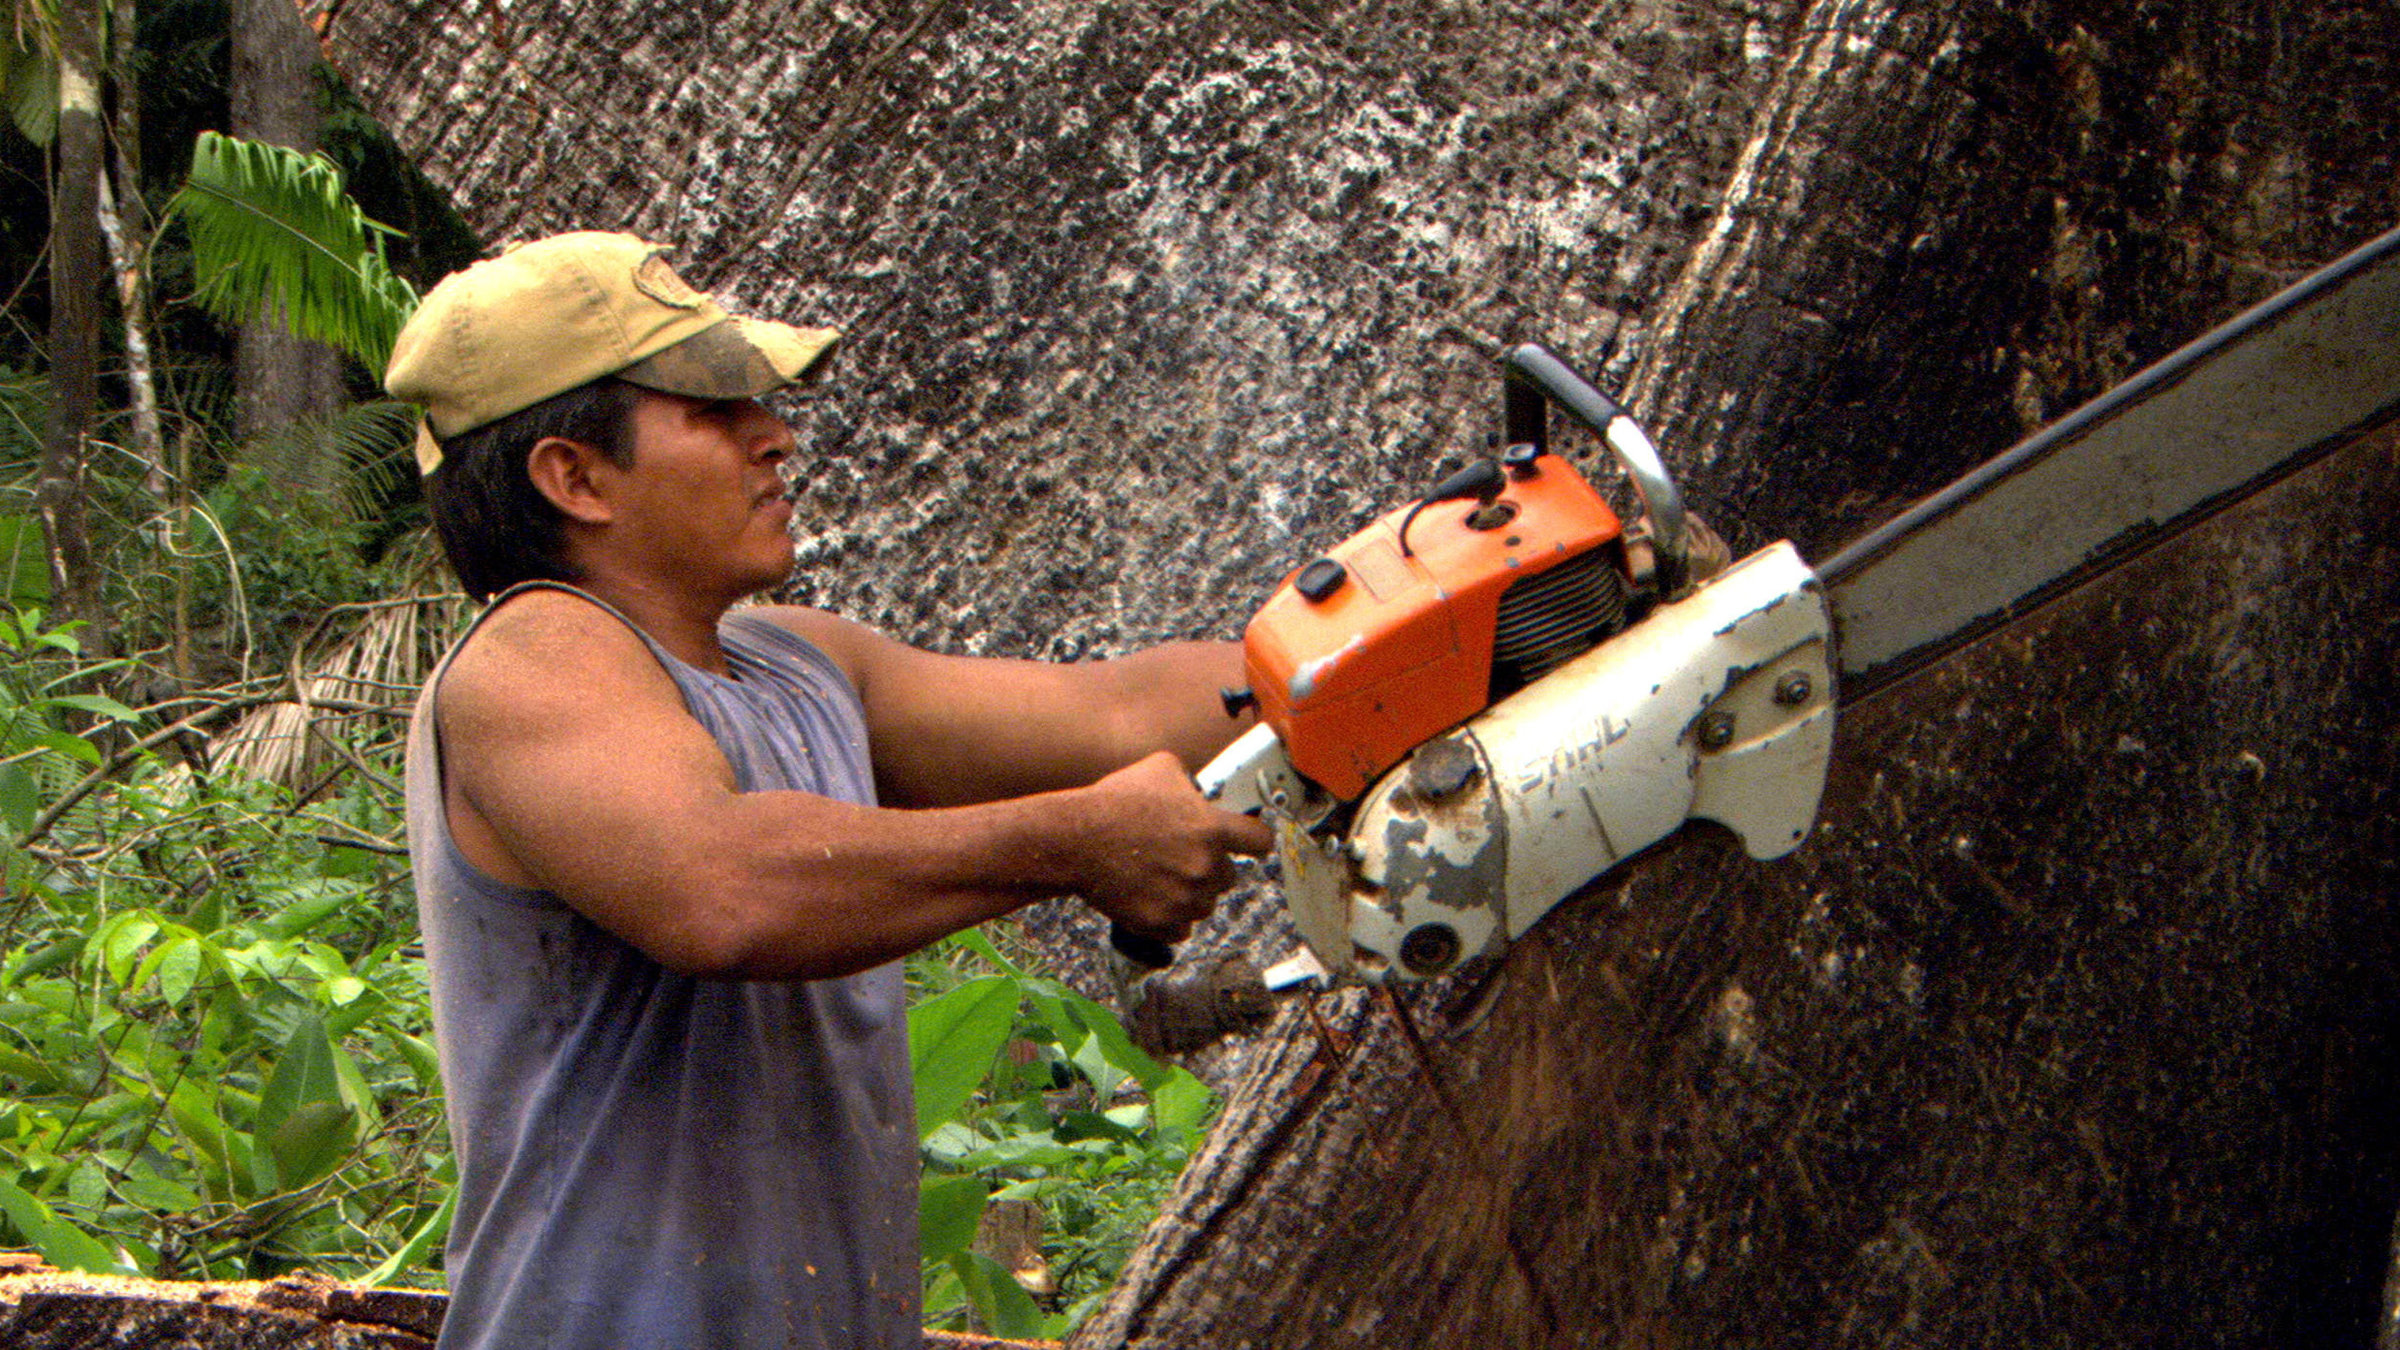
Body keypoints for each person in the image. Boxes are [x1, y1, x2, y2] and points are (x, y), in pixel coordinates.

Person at [385, 231, 1272, 1350]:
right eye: (715, 410)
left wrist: (1407, 623)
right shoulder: (530, 656)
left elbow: (1120, 717)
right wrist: (1076, 843)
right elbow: (721, 889)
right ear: (575, 478)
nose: (775, 435)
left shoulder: (803, 666)